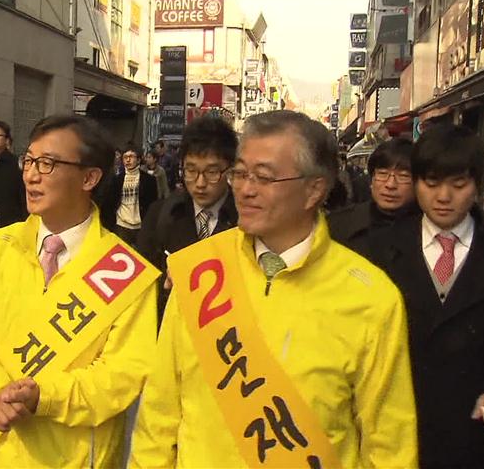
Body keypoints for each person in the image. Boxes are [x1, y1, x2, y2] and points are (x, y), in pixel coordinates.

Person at [130, 110, 418, 468]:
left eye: (264, 177)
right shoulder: (199, 271)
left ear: (314, 189)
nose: (245, 190)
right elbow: (159, 414)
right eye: (240, 173)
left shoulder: (371, 297)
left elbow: (389, 444)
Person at [0, 114, 158, 468]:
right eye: (29, 160)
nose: (30, 174)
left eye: (48, 163)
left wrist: (44, 397)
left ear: (89, 177)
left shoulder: (126, 271)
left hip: (74, 459)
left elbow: (122, 376)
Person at [367, 123, 484, 468]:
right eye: (431, 184)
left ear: (478, 186)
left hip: (471, 428)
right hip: (393, 423)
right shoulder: (378, 248)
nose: (443, 197)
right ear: (416, 183)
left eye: (458, 185)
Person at [138, 116, 239, 321]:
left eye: (212, 172)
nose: (200, 183)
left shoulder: (245, 218)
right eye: (191, 170)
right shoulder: (161, 214)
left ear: (230, 170)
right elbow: (143, 285)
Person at [328, 137, 419, 255]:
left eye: (403, 176)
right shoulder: (338, 225)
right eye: (382, 174)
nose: (390, 184)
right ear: (371, 180)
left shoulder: (430, 231)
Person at [100, 145, 157, 246]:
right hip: (121, 224)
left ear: (139, 160)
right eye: (125, 157)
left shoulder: (149, 180)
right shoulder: (117, 180)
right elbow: (109, 203)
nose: (128, 160)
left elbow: (153, 204)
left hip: (141, 225)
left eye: (131, 157)